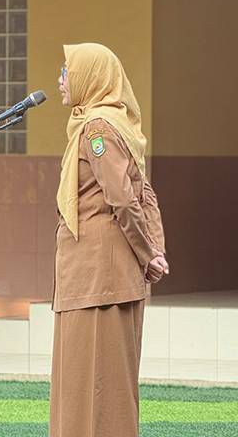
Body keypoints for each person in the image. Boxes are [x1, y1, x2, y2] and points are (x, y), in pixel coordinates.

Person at [50, 42, 169, 437]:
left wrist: (148, 253)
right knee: (92, 376)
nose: (61, 80)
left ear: (91, 77)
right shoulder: (113, 125)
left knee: (98, 377)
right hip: (99, 273)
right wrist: (154, 250)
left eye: (67, 71)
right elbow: (143, 193)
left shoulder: (97, 128)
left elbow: (124, 198)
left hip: (100, 277)